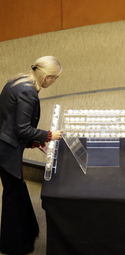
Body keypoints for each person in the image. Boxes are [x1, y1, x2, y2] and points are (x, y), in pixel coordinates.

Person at [0, 56, 63, 254]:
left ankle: (28, 232)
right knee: (12, 196)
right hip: (5, 150)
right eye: (55, 78)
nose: (54, 82)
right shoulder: (29, 92)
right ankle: (14, 246)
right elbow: (22, 129)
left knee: (17, 189)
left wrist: (36, 142)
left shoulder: (19, 80)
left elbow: (11, 119)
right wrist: (49, 135)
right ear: (47, 77)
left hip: (5, 141)